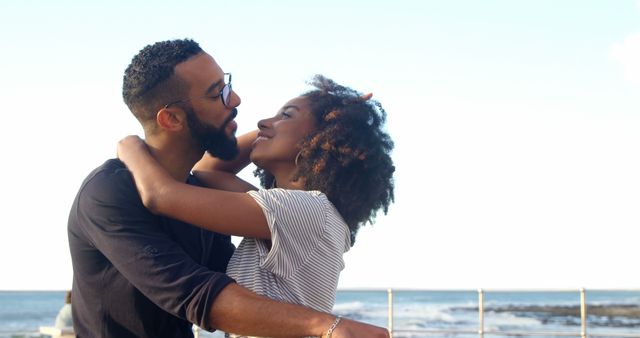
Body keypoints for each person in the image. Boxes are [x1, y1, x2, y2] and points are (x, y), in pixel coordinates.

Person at [67, 38, 389, 338]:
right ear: (172, 119)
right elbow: (195, 293)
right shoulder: (109, 191)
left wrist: (130, 145)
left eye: (228, 85)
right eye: (216, 93)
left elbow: (190, 180)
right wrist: (323, 126)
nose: (235, 99)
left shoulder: (297, 210)